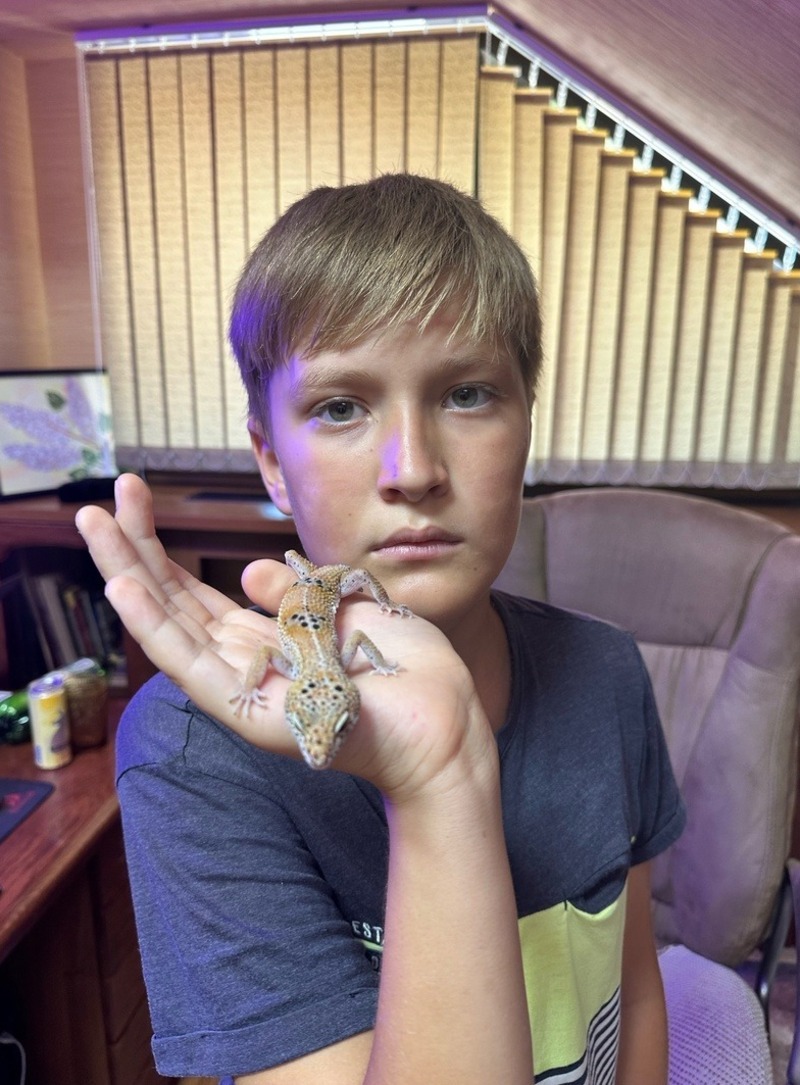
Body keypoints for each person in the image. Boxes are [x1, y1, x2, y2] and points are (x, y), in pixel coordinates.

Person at [76, 173, 685, 1084]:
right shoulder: (194, 755)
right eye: (340, 407)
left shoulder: (607, 672)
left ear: (528, 422)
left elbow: (634, 995)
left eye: (467, 393)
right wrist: (440, 777)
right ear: (271, 461)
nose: (413, 468)